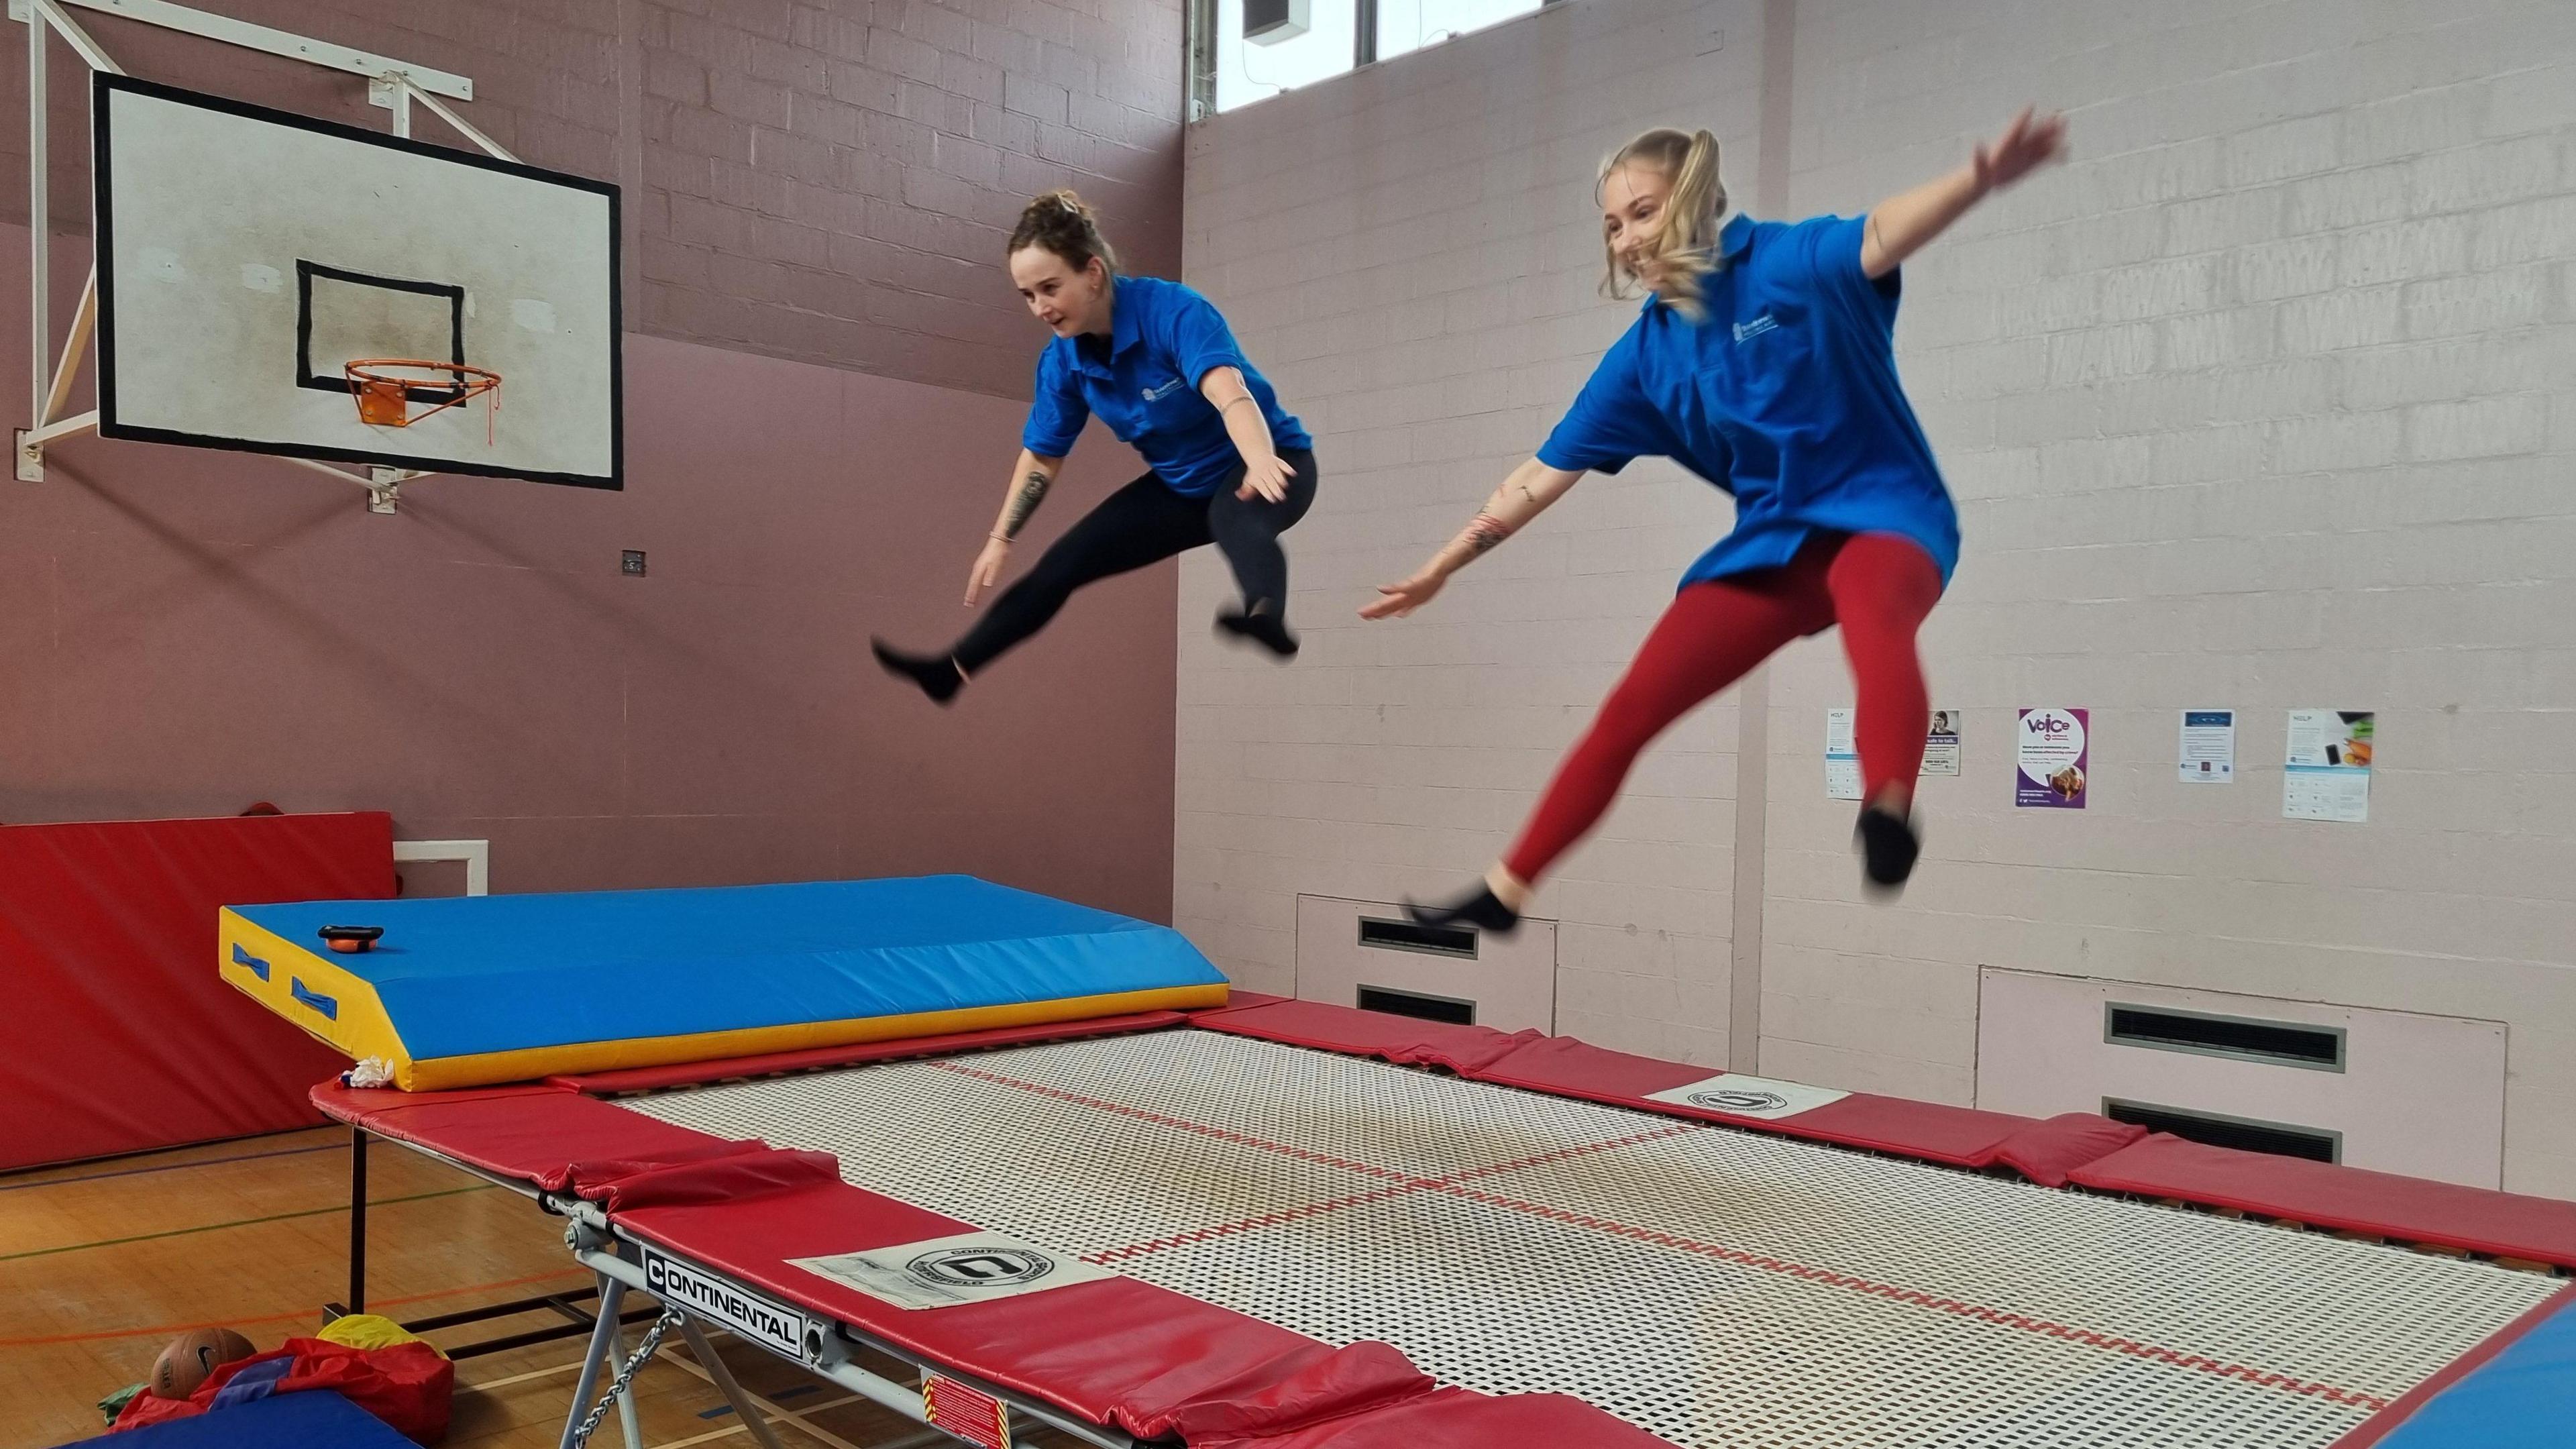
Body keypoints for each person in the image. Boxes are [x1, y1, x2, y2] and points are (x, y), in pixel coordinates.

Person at [1368, 109, 2067, 929]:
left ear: (1694, 202)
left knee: (1873, 622)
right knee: (1633, 705)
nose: (1626, 239)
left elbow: (1880, 233)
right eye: (1612, 223)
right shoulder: (1645, 356)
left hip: (1888, 512)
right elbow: (1539, 475)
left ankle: (1886, 807)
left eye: (1644, 211)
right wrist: (1445, 563)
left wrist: (1976, 180)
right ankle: (1507, 887)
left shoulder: (1786, 264)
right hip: (1775, 544)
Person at [873, 191, 1318, 704]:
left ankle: (1266, 617)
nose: (1039, 307)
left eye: (1049, 288)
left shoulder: (1172, 312)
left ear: (1093, 273)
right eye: (1027, 295)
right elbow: (1043, 455)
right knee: (1065, 563)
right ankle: (951, 671)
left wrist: (1260, 459)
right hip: (1180, 488)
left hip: (1272, 461)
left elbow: (1229, 392)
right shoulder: (1064, 362)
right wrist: (1001, 538)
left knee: (1234, 519)